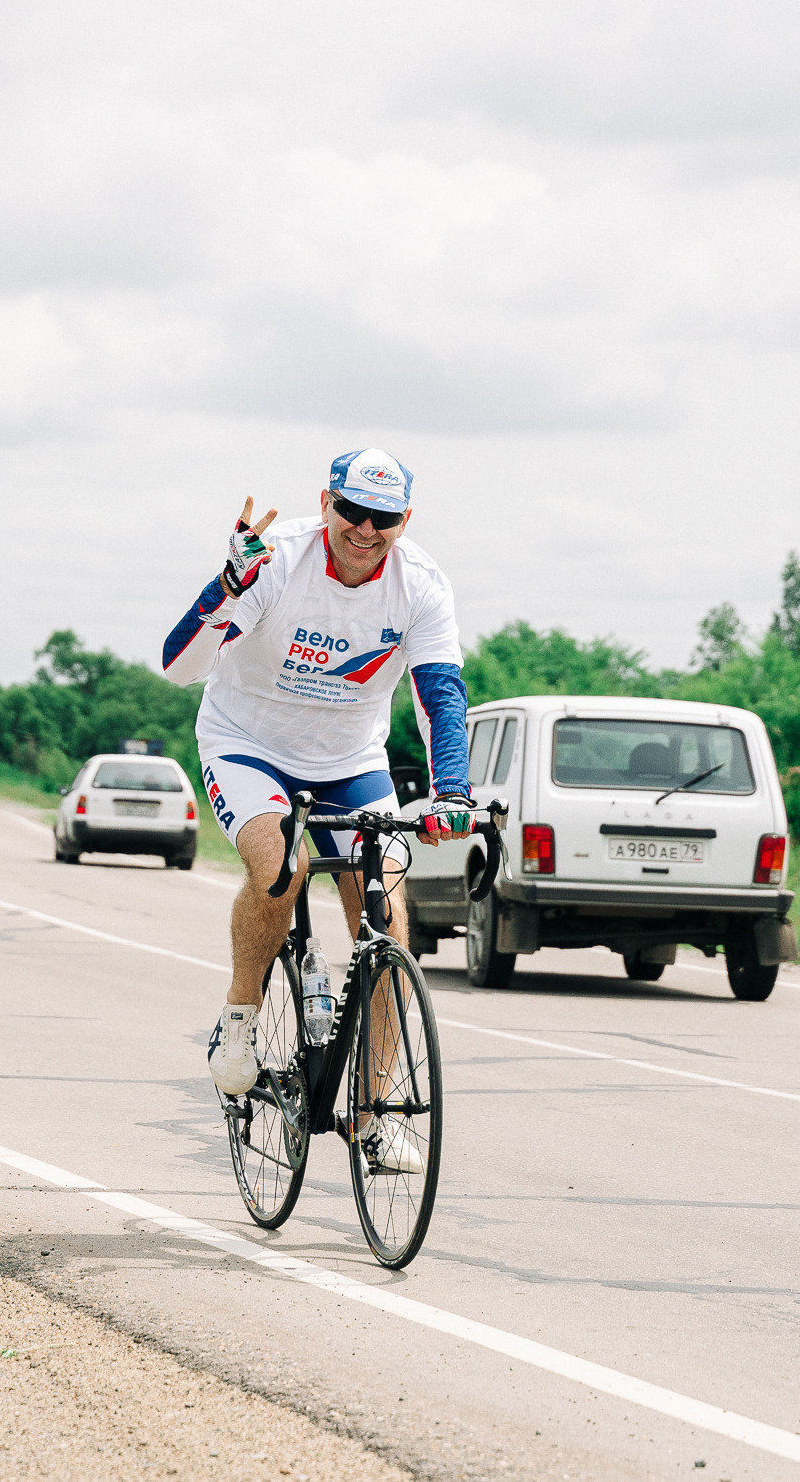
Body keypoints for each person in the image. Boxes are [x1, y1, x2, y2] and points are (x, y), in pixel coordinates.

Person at [161, 448, 476, 1176]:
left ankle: (375, 1111)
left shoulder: (421, 585)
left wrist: (451, 789)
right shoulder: (277, 560)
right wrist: (227, 584)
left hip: (349, 760)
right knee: (285, 869)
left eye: (384, 519)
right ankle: (237, 1023)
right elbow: (180, 667)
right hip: (248, 744)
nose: (365, 530)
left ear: (405, 520)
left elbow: (441, 695)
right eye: (352, 512)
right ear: (326, 501)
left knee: (390, 918)